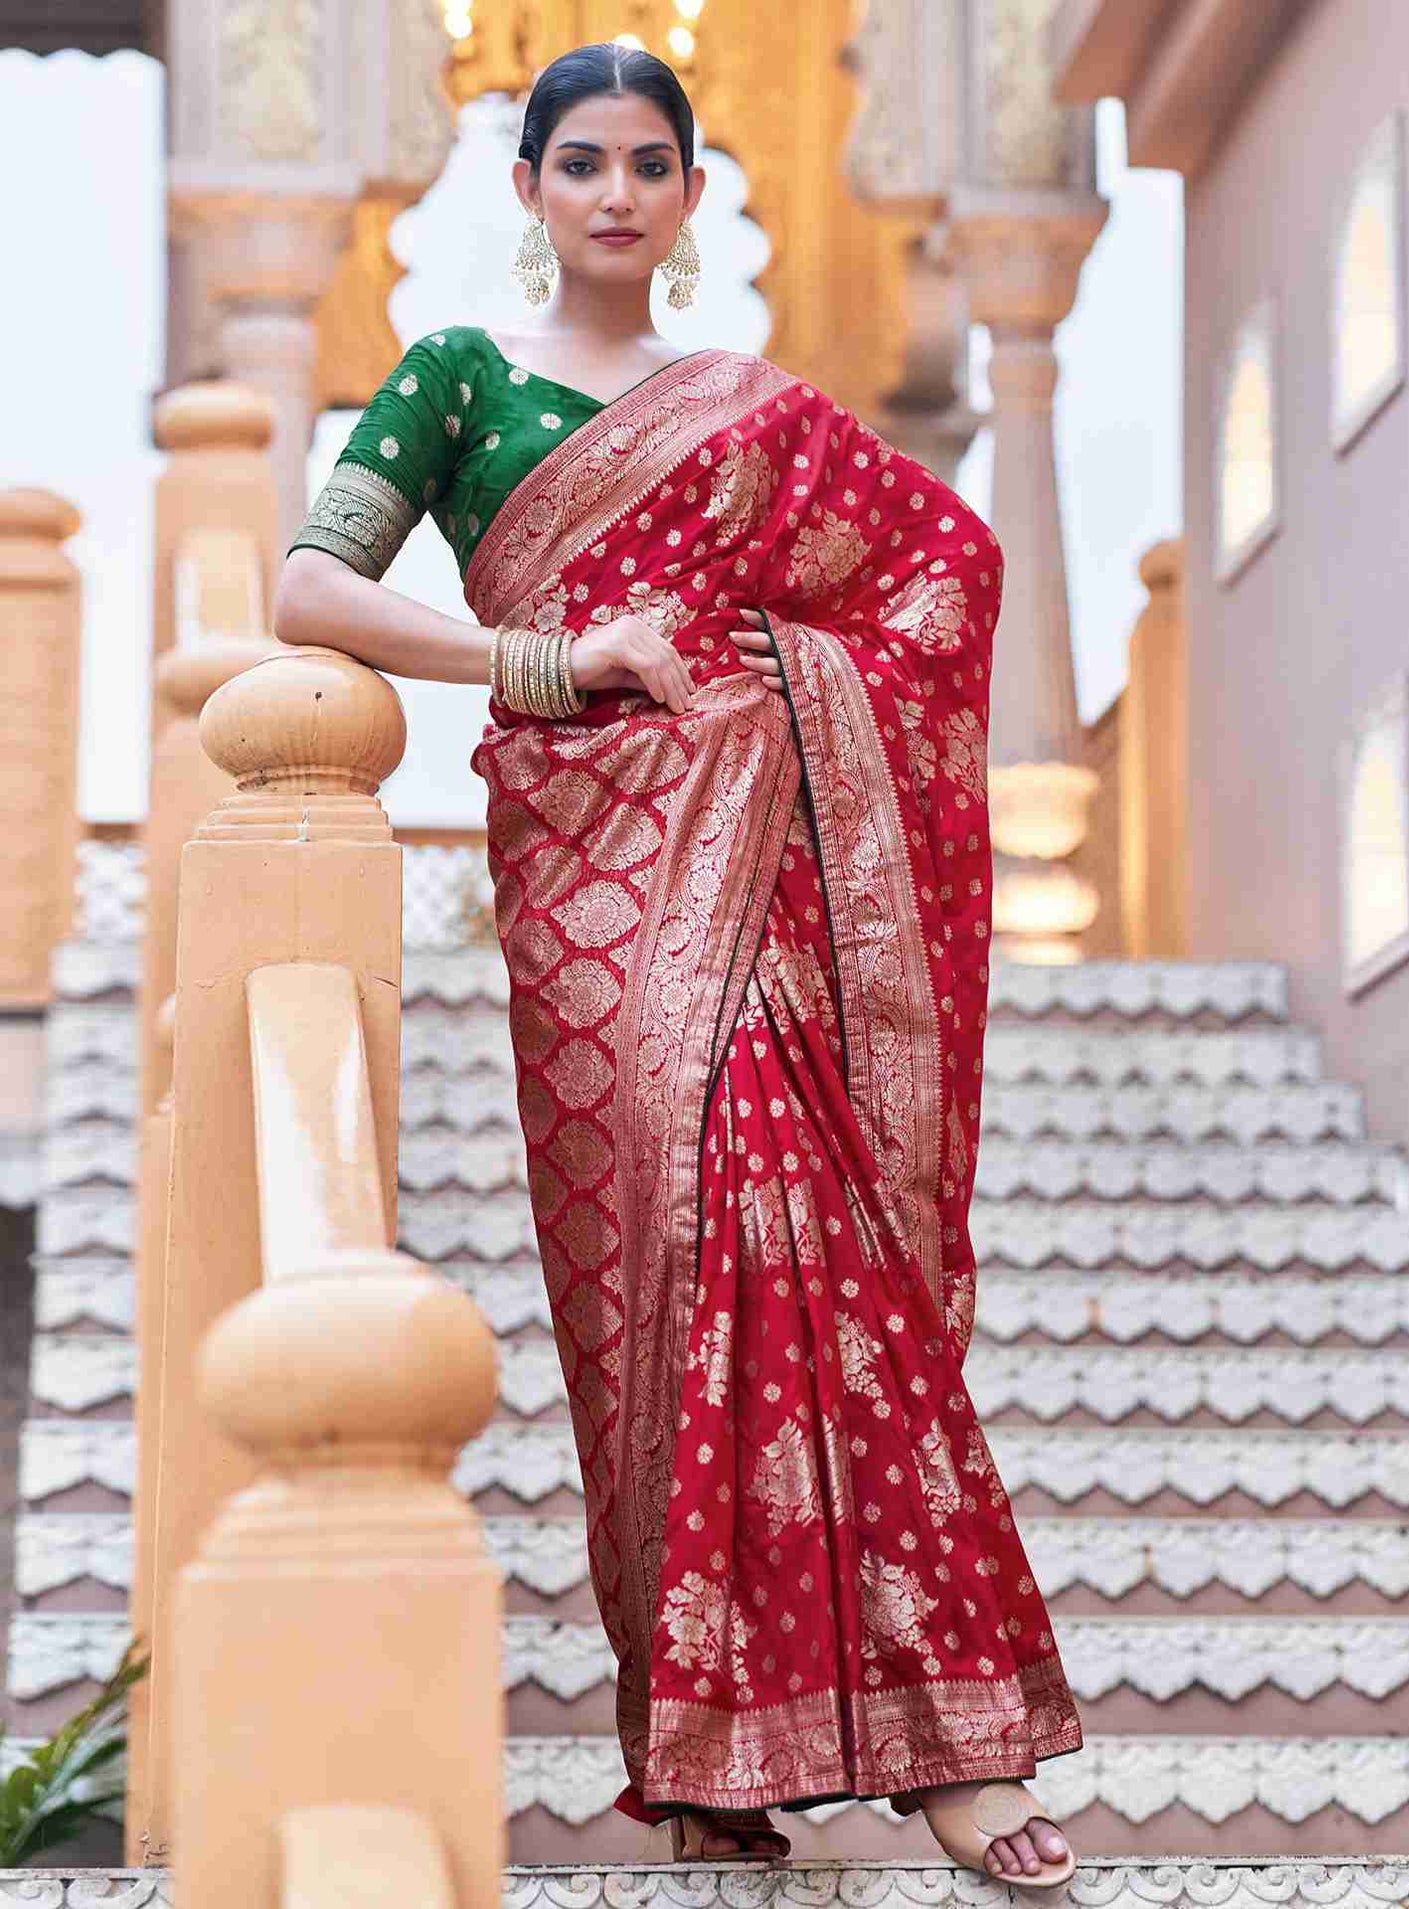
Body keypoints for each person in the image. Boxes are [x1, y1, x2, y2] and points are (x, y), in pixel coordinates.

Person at [275, 41, 1083, 1881]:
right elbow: (312, 590)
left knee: (807, 1242)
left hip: (767, 870)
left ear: (694, 198)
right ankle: (712, 1747)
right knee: (654, 1288)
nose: (619, 192)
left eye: (652, 163)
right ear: (531, 189)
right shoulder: (461, 381)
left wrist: (777, 686)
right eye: (583, 163)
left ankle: (944, 1744)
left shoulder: (745, 404)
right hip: (586, 884)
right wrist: (554, 663)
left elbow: (939, 573)